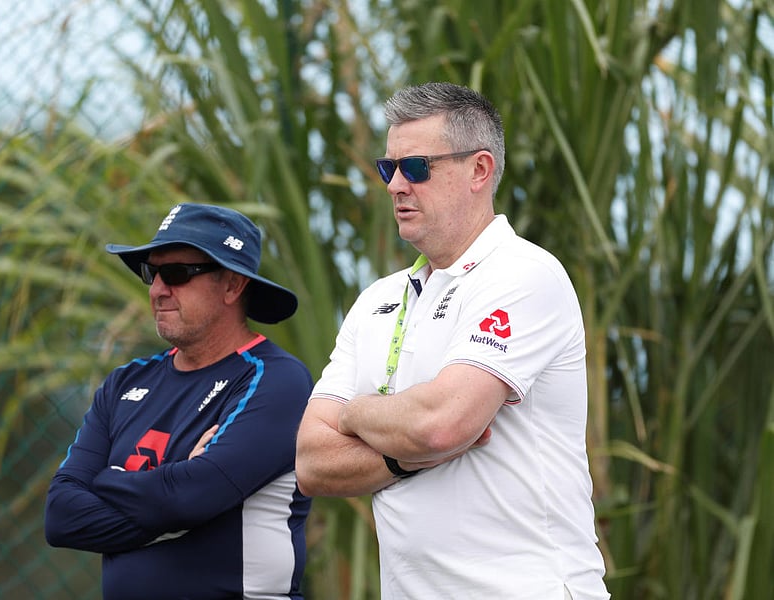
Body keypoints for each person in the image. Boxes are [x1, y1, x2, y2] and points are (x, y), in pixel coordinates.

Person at [295, 82, 610, 599]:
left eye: (416, 167)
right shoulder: (378, 298)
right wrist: (402, 455)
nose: (396, 185)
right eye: (387, 168)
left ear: (479, 171)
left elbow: (442, 425)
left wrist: (354, 415)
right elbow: (310, 461)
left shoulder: (524, 273)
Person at [45, 203, 313, 600]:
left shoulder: (275, 379)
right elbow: (61, 517)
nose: (157, 290)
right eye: (152, 273)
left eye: (176, 274)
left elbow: (193, 496)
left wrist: (107, 479)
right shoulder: (123, 383)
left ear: (232, 285)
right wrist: (173, 488)